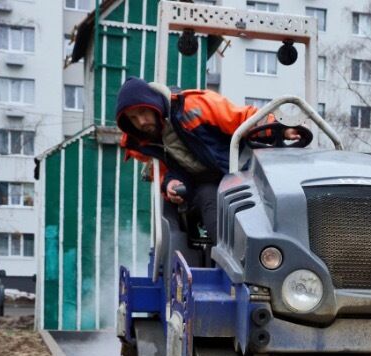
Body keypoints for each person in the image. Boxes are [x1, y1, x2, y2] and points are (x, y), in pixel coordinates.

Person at [115, 77, 299, 242]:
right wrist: (171, 184)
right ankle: (234, 257)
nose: (141, 122)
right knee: (206, 199)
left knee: (285, 197)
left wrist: (280, 128)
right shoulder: (148, 143)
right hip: (205, 186)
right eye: (133, 118)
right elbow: (167, 172)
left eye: (143, 112)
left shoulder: (194, 107)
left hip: (243, 172)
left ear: (153, 104)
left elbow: (241, 119)